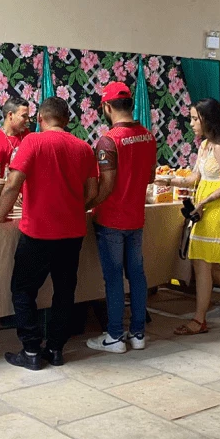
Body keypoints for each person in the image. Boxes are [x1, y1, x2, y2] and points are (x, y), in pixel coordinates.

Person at [0, 97, 98, 370]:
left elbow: (13, 184)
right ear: (67, 119)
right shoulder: (84, 147)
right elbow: (94, 191)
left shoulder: (32, 142)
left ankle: (30, 351)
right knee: (64, 291)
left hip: (38, 231)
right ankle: (56, 349)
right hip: (72, 232)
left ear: (39, 117)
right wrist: (74, 208)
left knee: (23, 289)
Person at [159, 98, 220, 335]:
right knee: (207, 264)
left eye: (194, 118)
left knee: (202, 264)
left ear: (207, 120)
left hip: (218, 211)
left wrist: (204, 202)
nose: (191, 123)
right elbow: (193, 179)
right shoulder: (204, 146)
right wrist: (165, 179)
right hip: (205, 209)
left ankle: (199, 319)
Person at [85, 83, 157, 354]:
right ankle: (138, 334)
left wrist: (87, 204)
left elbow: (107, 186)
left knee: (114, 278)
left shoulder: (108, 140)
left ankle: (115, 335)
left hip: (111, 219)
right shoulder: (148, 136)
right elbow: (150, 176)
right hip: (136, 218)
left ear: (106, 107)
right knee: (137, 276)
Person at [0, 97, 31, 183]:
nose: (27, 120)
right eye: (24, 116)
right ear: (10, 115)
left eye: (27, 117)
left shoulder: (27, 135)